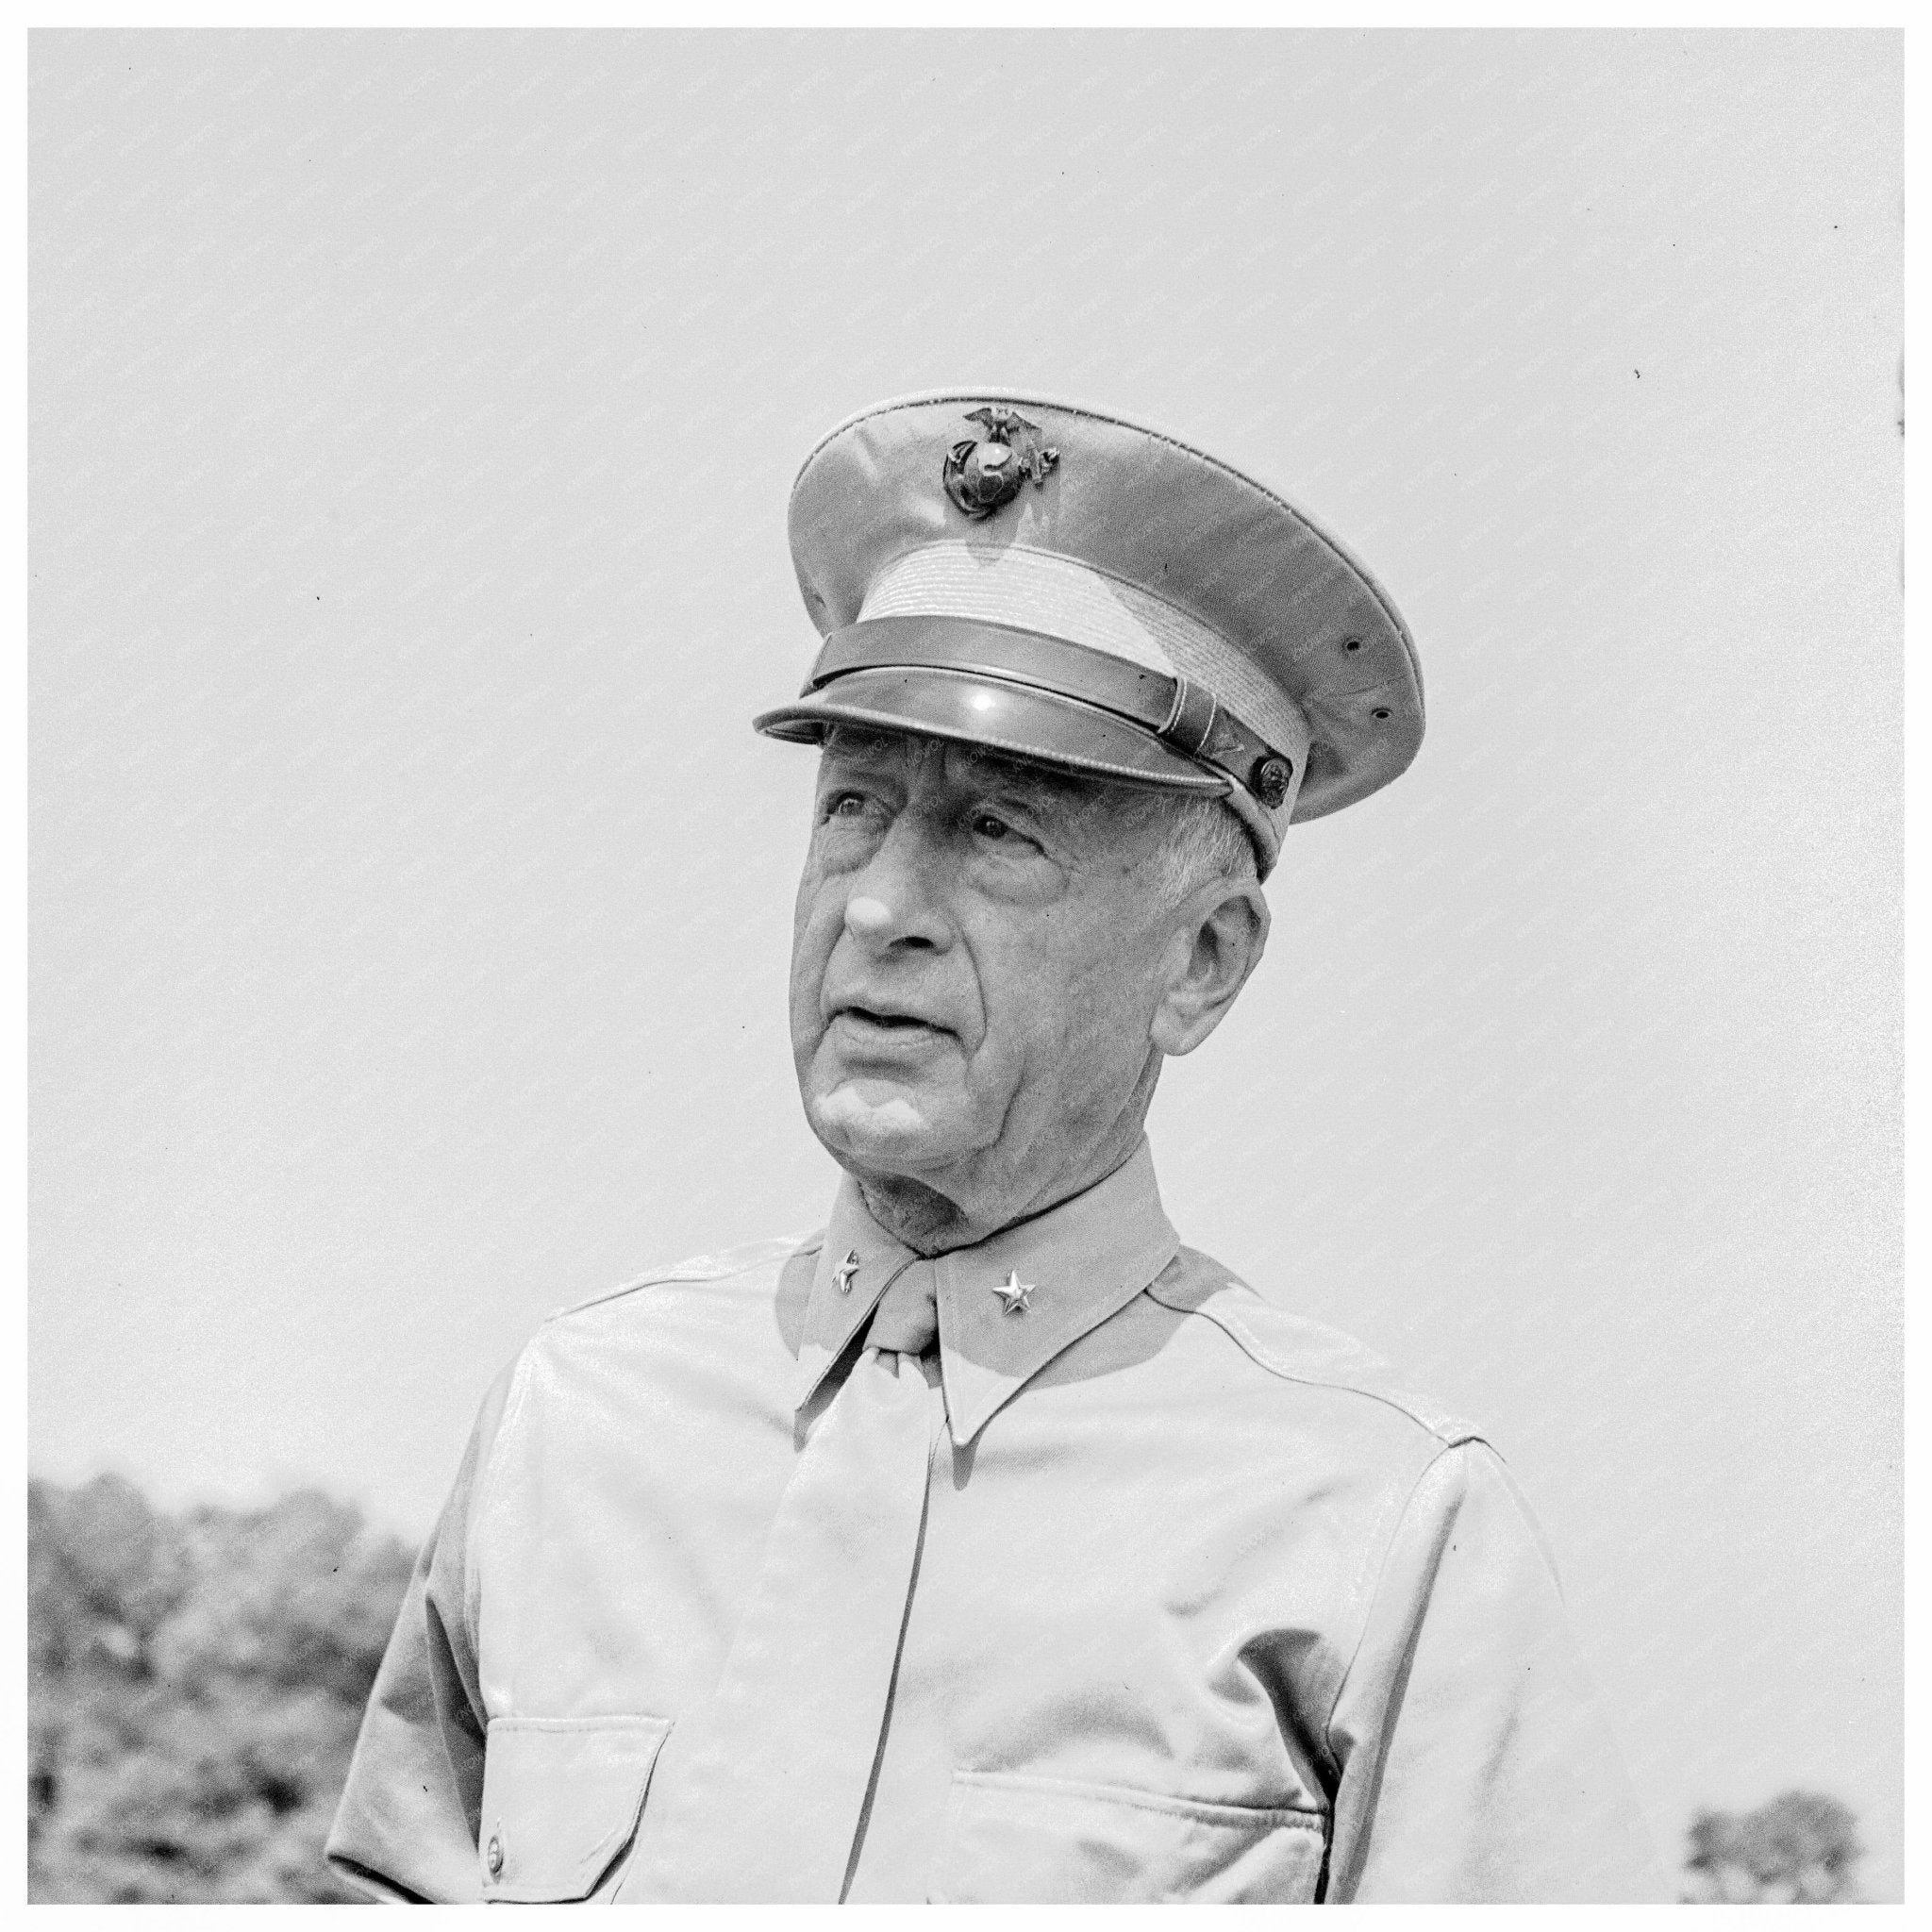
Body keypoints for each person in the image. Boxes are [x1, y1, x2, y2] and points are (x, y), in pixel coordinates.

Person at [325, 391, 1664, 1903]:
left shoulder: (1381, 1525)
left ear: (1203, 962)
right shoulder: (570, 1424)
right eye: (852, 809)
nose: (879, 904)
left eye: (996, 832)